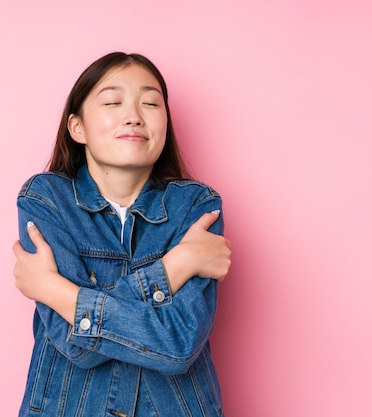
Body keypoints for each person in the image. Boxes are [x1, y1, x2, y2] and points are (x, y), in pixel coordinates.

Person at [12, 51, 232, 417]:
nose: (134, 116)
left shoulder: (196, 206)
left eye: (150, 103)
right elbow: (77, 347)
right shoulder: (46, 199)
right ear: (76, 127)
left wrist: (56, 290)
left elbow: (178, 343)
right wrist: (177, 265)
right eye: (113, 102)